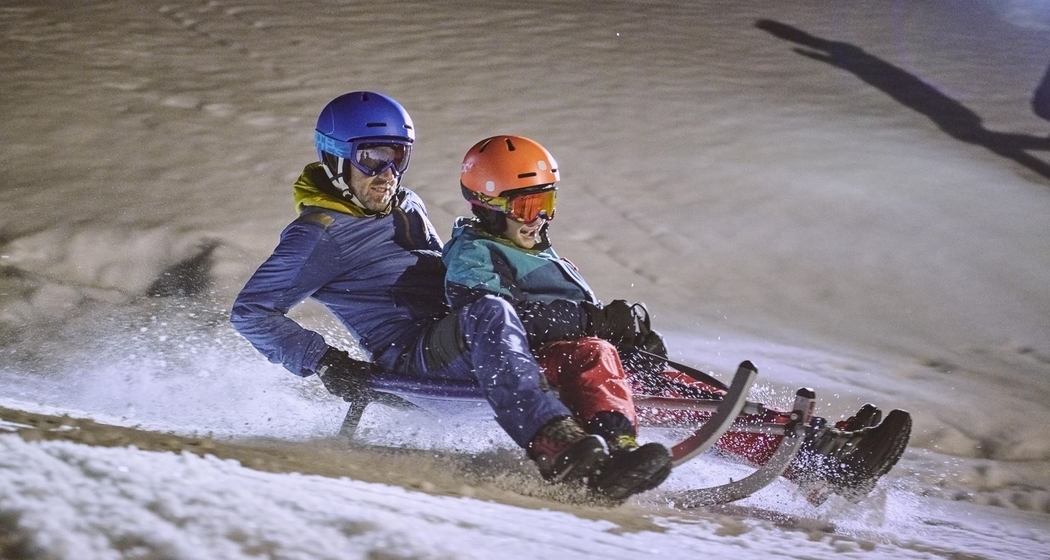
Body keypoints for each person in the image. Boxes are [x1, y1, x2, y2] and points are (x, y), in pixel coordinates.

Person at [442, 135, 913, 505]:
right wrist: (594, 322)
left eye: (546, 206)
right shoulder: (474, 252)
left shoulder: (528, 247)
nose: (539, 220)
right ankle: (813, 454)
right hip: (544, 370)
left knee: (688, 390)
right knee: (641, 374)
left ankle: (820, 450)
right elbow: (493, 319)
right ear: (488, 205)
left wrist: (627, 335)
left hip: (582, 361)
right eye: (527, 207)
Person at [231, 92, 629, 497]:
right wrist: (325, 361)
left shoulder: (406, 203)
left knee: (580, 342)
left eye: (398, 158)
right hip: (414, 360)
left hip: (464, 339)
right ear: (335, 157)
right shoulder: (318, 235)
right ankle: (553, 441)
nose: (387, 174)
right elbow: (251, 311)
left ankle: (617, 447)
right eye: (372, 159)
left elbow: (448, 276)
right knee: (491, 310)